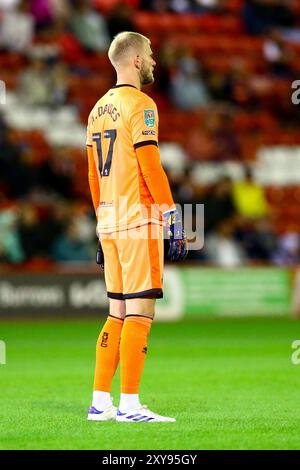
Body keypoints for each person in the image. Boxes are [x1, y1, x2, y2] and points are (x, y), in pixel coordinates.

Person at [86, 31, 187, 423]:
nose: (154, 61)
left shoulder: (96, 110)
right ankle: (129, 404)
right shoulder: (141, 104)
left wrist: (100, 222)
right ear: (134, 61)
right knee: (140, 314)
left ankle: (100, 402)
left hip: (109, 222)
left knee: (116, 313)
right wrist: (171, 215)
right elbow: (150, 165)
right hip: (137, 221)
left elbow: (93, 176)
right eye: (150, 53)